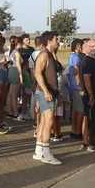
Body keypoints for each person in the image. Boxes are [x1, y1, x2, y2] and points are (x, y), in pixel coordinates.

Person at [29, 31, 63, 165]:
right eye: (56, 39)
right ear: (49, 41)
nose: (58, 42)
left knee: (43, 122)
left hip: (49, 92)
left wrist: (57, 94)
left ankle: (39, 151)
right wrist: (45, 91)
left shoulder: (50, 55)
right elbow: (37, 73)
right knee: (48, 122)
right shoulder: (44, 55)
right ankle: (46, 154)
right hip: (45, 93)